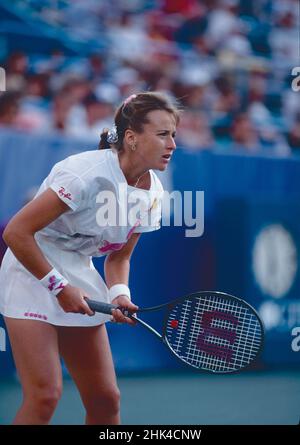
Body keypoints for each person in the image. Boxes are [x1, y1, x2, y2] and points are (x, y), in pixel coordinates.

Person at [0, 91, 179, 425]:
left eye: (173, 135)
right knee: (44, 396)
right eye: (162, 134)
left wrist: (119, 295)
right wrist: (58, 286)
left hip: (79, 274)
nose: (171, 144)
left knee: (105, 401)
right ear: (131, 138)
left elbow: (119, 258)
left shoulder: (154, 193)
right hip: (30, 270)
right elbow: (16, 233)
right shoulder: (84, 173)